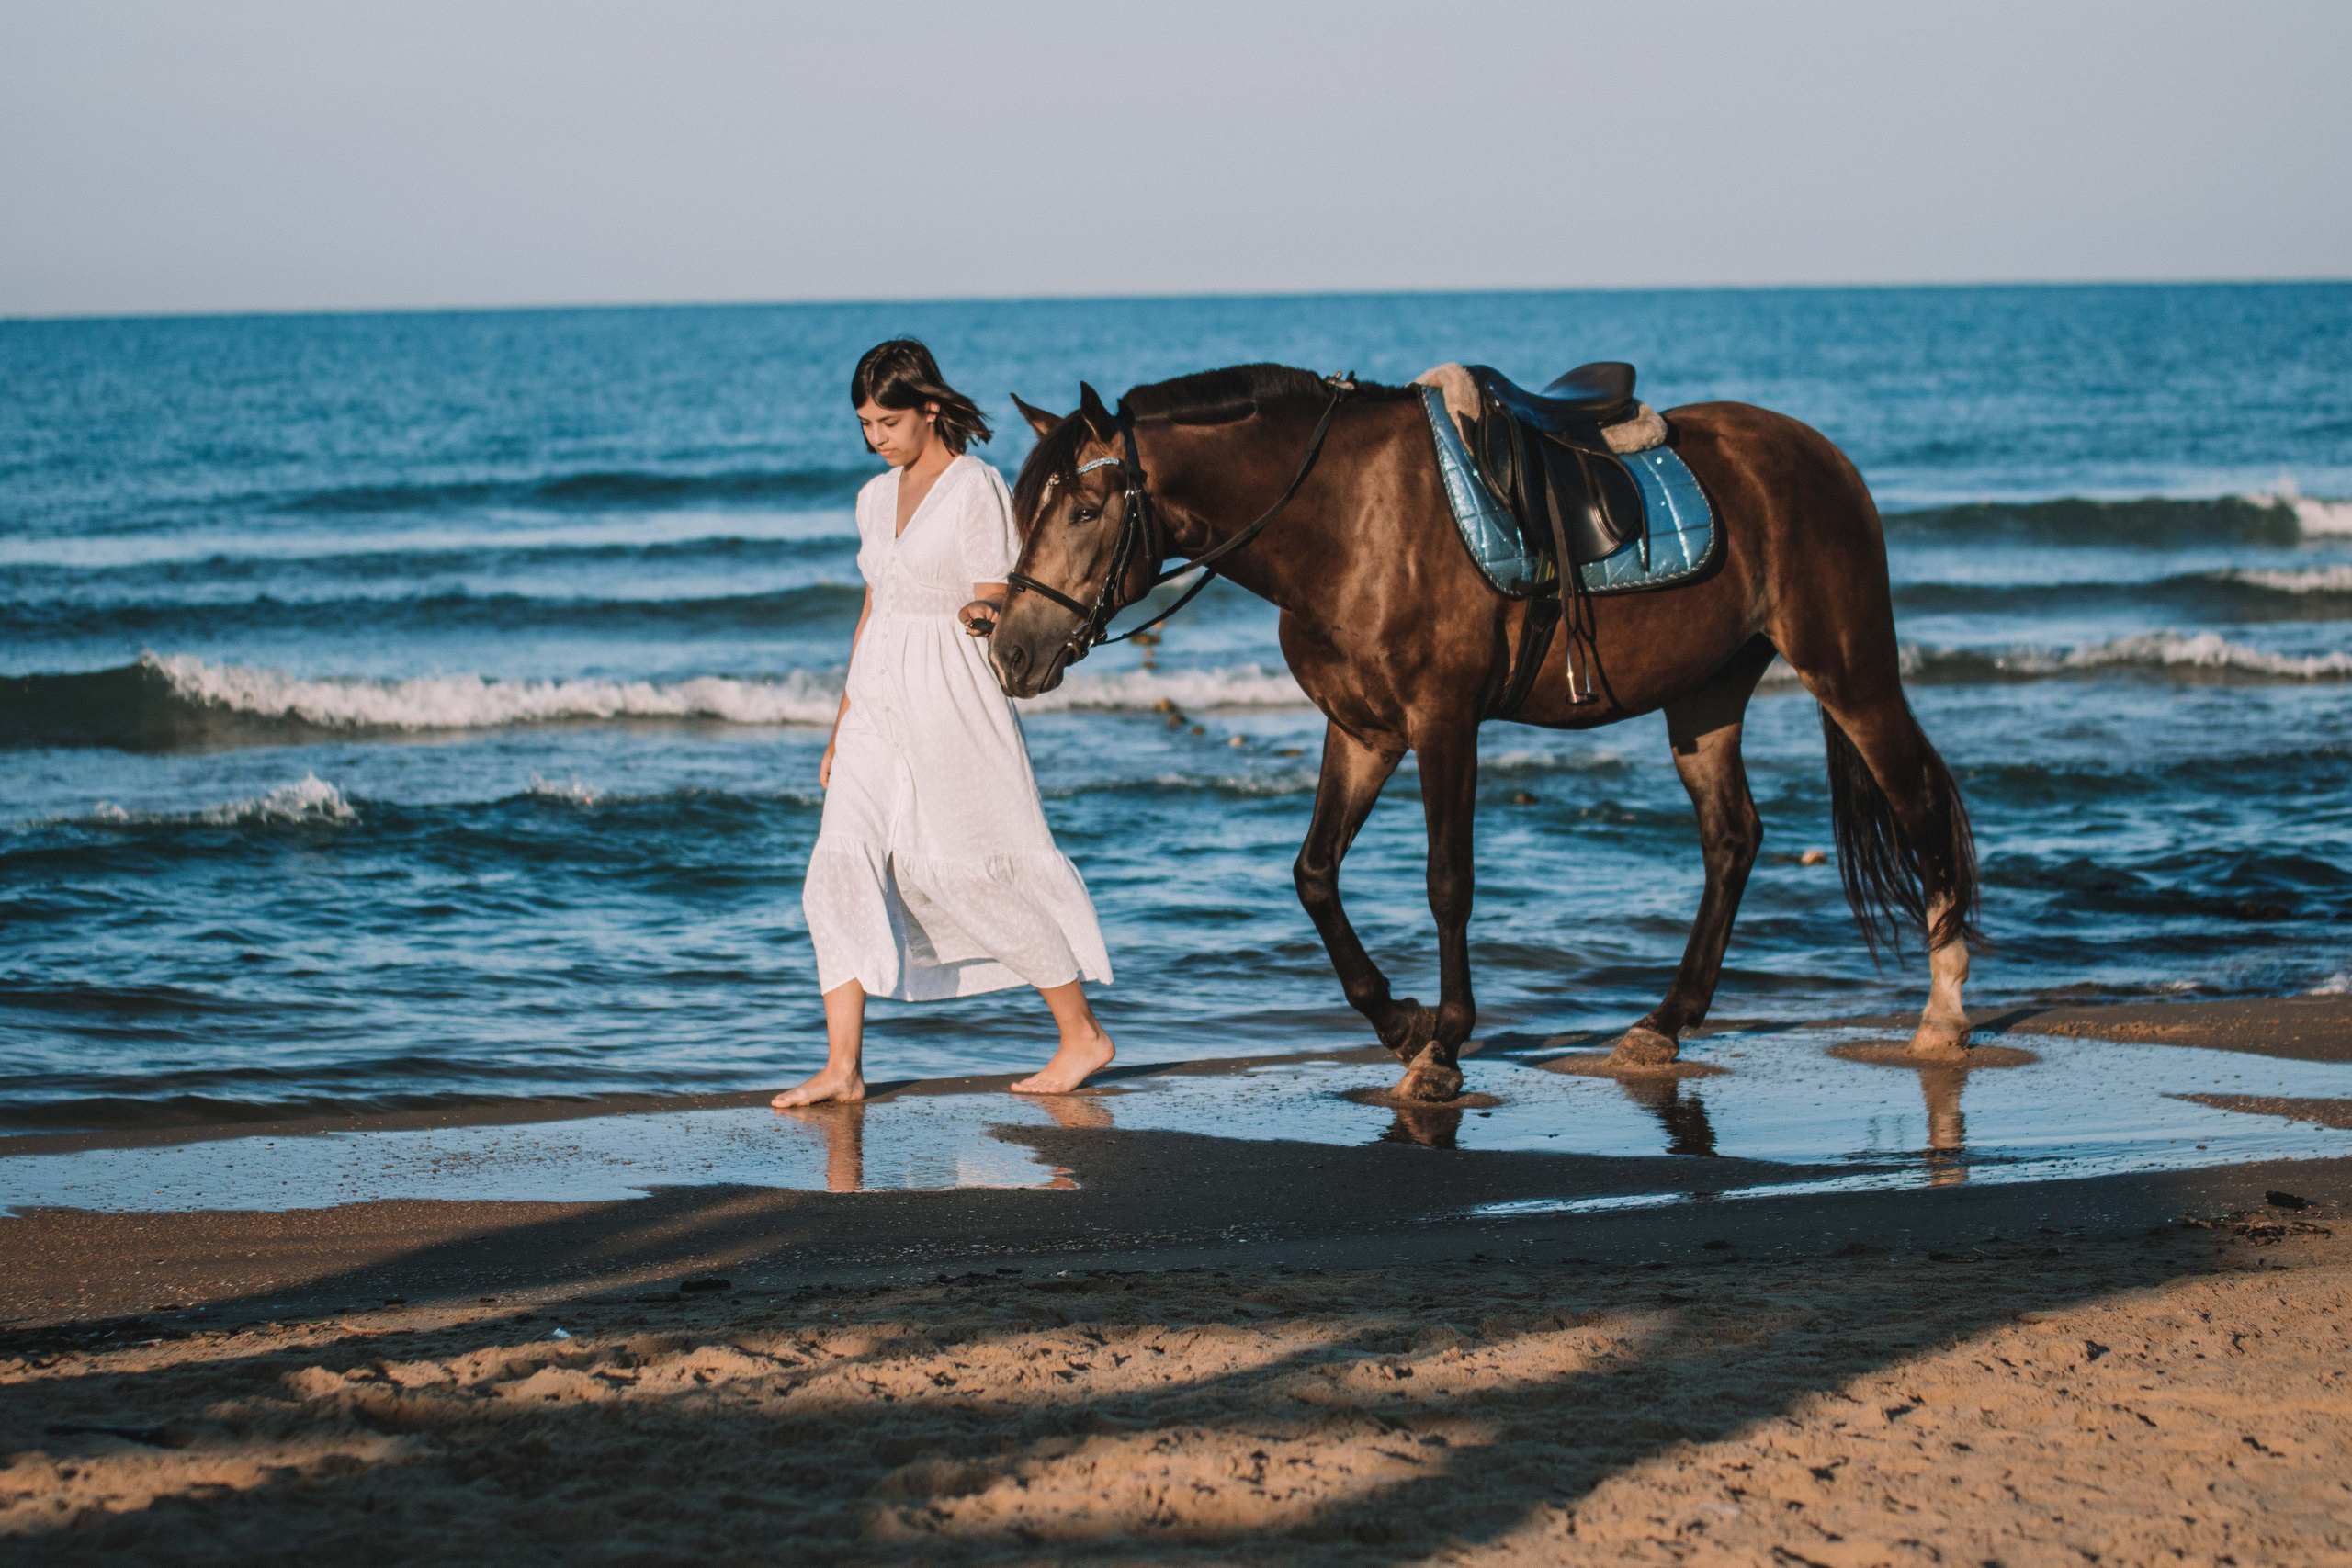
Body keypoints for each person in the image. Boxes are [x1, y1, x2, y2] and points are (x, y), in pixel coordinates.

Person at [774, 339, 1115, 1109]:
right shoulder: (870, 498)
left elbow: (995, 589)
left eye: (887, 420)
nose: (876, 437)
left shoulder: (975, 487)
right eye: (865, 423)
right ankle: (843, 1068)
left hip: (946, 692)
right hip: (873, 701)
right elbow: (874, 606)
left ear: (930, 407)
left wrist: (985, 610)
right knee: (835, 865)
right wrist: (840, 722)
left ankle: (1082, 1034)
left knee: (956, 867)